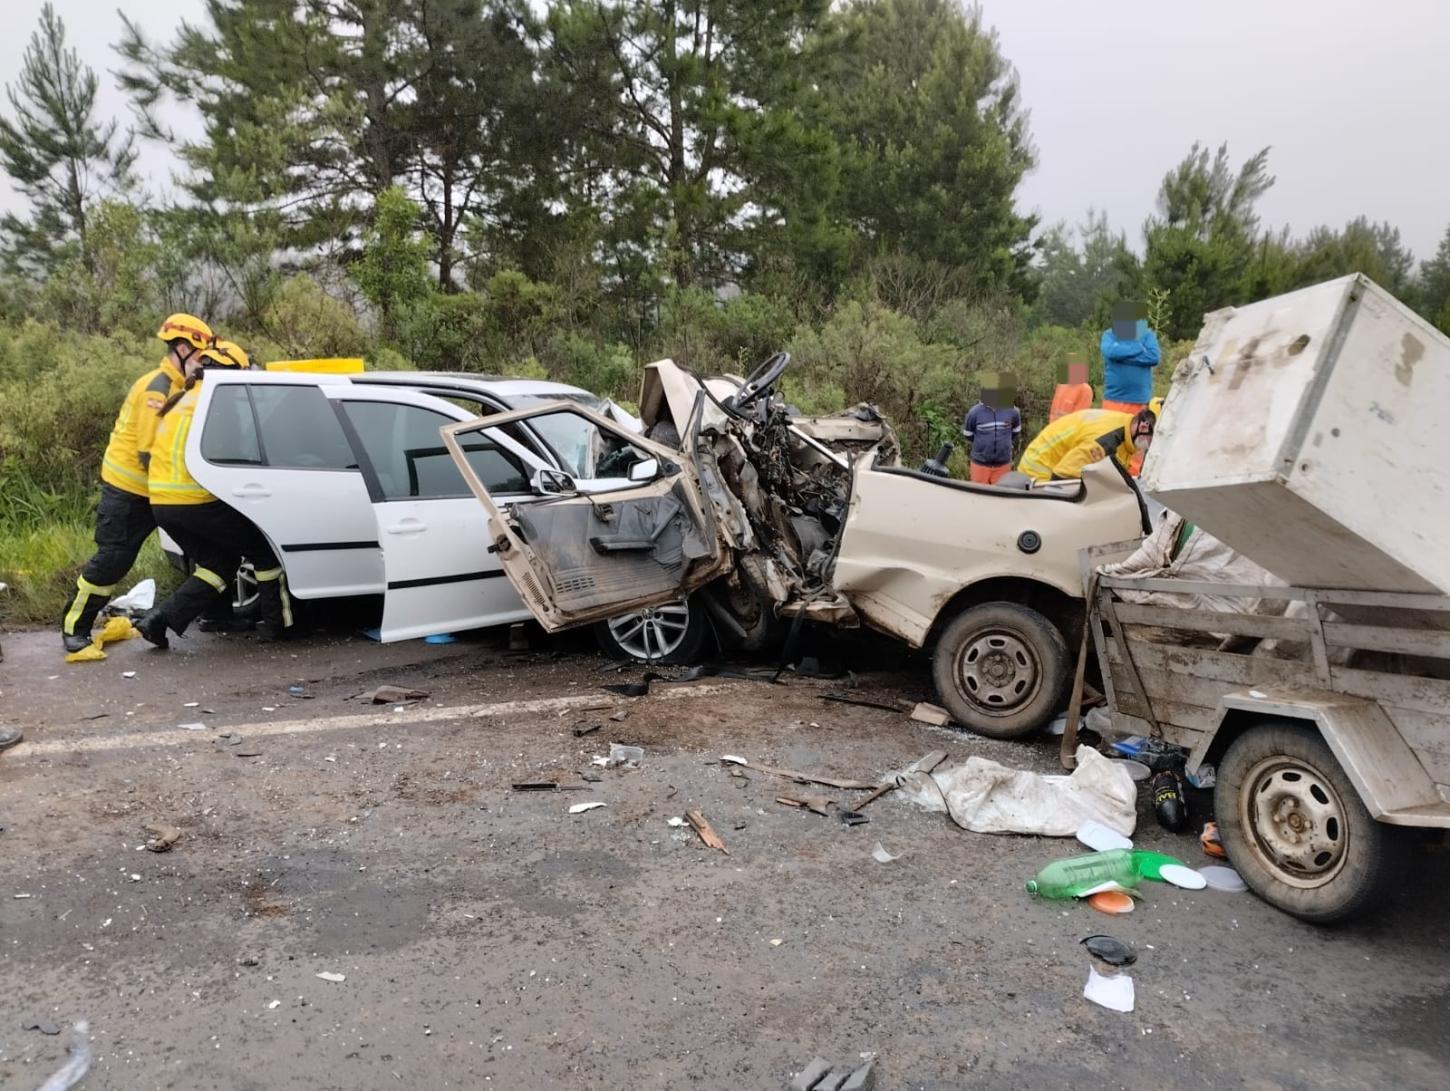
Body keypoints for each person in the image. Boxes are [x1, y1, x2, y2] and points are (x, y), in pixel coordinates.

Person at [60, 313, 214, 653]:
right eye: (202, 357)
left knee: (213, 556)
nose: (204, 364)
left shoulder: (180, 387)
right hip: (130, 492)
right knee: (114, 559)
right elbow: (149, 453)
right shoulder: (155, 389)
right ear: (184, 348)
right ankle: (75, 627)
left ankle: (199, 617)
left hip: (161, 493)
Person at [137, 340, 295, 647]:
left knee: (218, 565)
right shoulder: (215, 404)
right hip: (194, 500)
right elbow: (231, 456)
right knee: (264, 552)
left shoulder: (183, 399)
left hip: (163, 503)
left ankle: (160, 619)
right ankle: (277, 628)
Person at [1018, 406, 1156, 483]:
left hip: (1052, 461)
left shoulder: (1124, 425)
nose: (1150, 446)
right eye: (1152, 440)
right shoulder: (1105, 442)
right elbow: (1063, 475)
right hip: (1039, 472)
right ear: (1143, 427)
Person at [1100, 302, 1161, 414]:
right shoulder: (1109, 335)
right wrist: (1137, 348)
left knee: (1138, 431)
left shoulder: (1147, 335)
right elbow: (1110, 352)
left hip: (1141, 402)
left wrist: (1121, 357)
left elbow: (1154, 357)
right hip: (1113, 400)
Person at [962, 373, 1022, 485]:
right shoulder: (974, 412)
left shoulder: (1013, 411)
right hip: (980, 464)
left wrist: (1005, 444)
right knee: (978, 496)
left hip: (1003, 464)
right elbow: (968, 434)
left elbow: (1016, 431)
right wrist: (983, 446)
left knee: (1000, 497)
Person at [1049, 354, 1094, 422]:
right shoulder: (1062, 385)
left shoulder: (1085, 390)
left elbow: (1078, 418)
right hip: (1054, 428)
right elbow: (1053, 410)